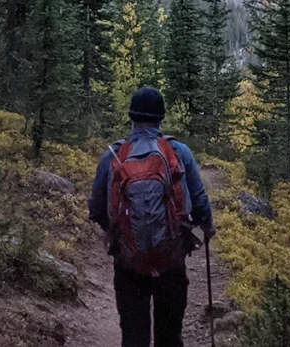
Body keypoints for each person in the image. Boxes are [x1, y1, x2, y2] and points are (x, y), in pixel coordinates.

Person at [89, 86, 215, 347]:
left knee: (134, 335)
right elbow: (200, 201)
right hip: (170, 259)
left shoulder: (112, 155)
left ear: (131, 117)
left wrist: (117, 234)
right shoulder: (179, 152)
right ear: (161, 118)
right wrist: (207, 226)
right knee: (169, 335)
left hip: (128, 262)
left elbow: (96, 209)